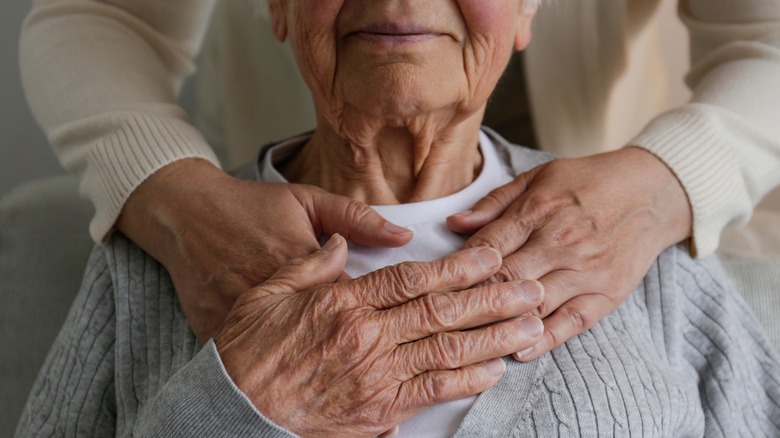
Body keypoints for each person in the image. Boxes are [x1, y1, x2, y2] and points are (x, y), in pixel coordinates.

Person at [16, 0, 780, 436]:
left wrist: (665, 183)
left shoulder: (634, 254)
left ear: (526, 10)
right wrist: (230, 410)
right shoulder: (166, 253)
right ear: (275, 6)